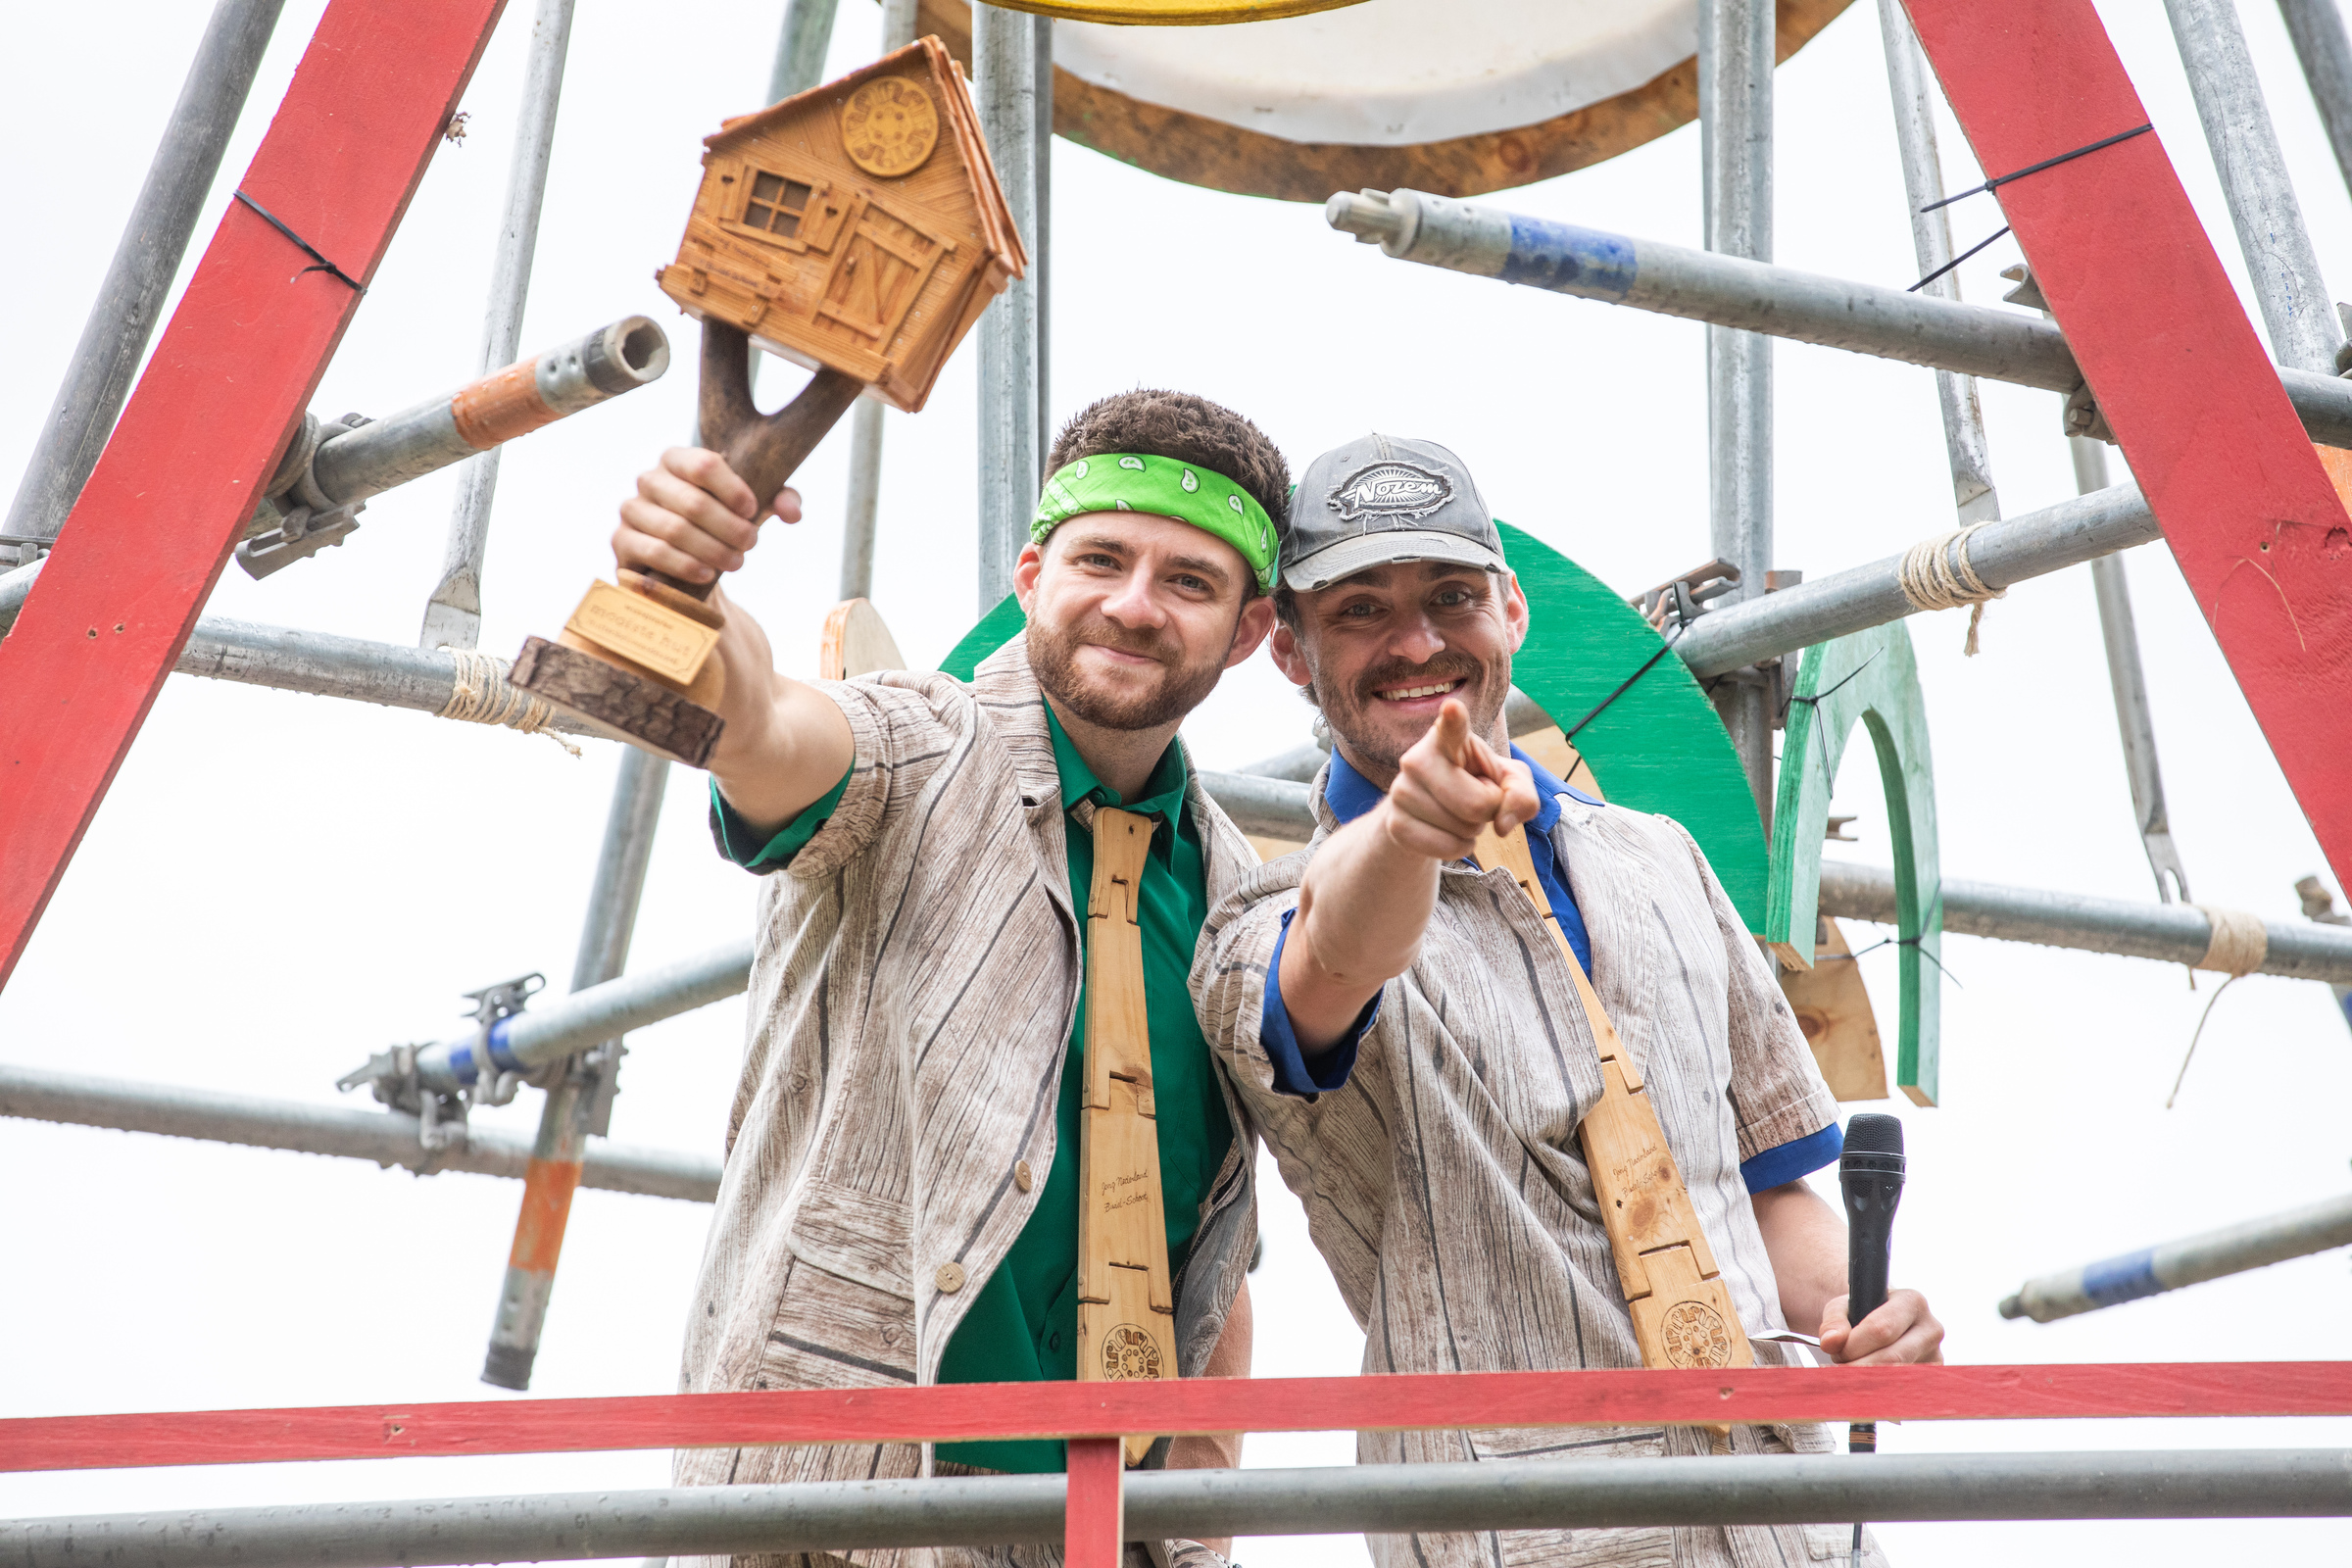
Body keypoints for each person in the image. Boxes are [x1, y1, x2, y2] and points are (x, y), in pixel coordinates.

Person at [1192, 433, 1945, 1568]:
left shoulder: (1664, 860)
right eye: (1360, 610)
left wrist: (1863, 1311)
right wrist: (1405, 831)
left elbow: (1764, 1186)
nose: (1417, 641)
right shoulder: (1260, 920)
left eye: (1452, 597)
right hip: (1516, 1537)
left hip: (1787, 1521)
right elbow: (1333, 962)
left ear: (1514, 611)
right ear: (1291, 652)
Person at [622, 389, 1289, 1568]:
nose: (1135, 605)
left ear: (1246, 632)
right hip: (840, 1512)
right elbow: (759, 726)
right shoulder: (918, 745)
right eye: (1101, 559)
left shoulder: (1241, 899)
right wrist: (685, 594)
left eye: (1189, 580)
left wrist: (1199, 1517)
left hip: (1101, 1539)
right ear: (1032, 575)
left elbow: (1218, 1250)